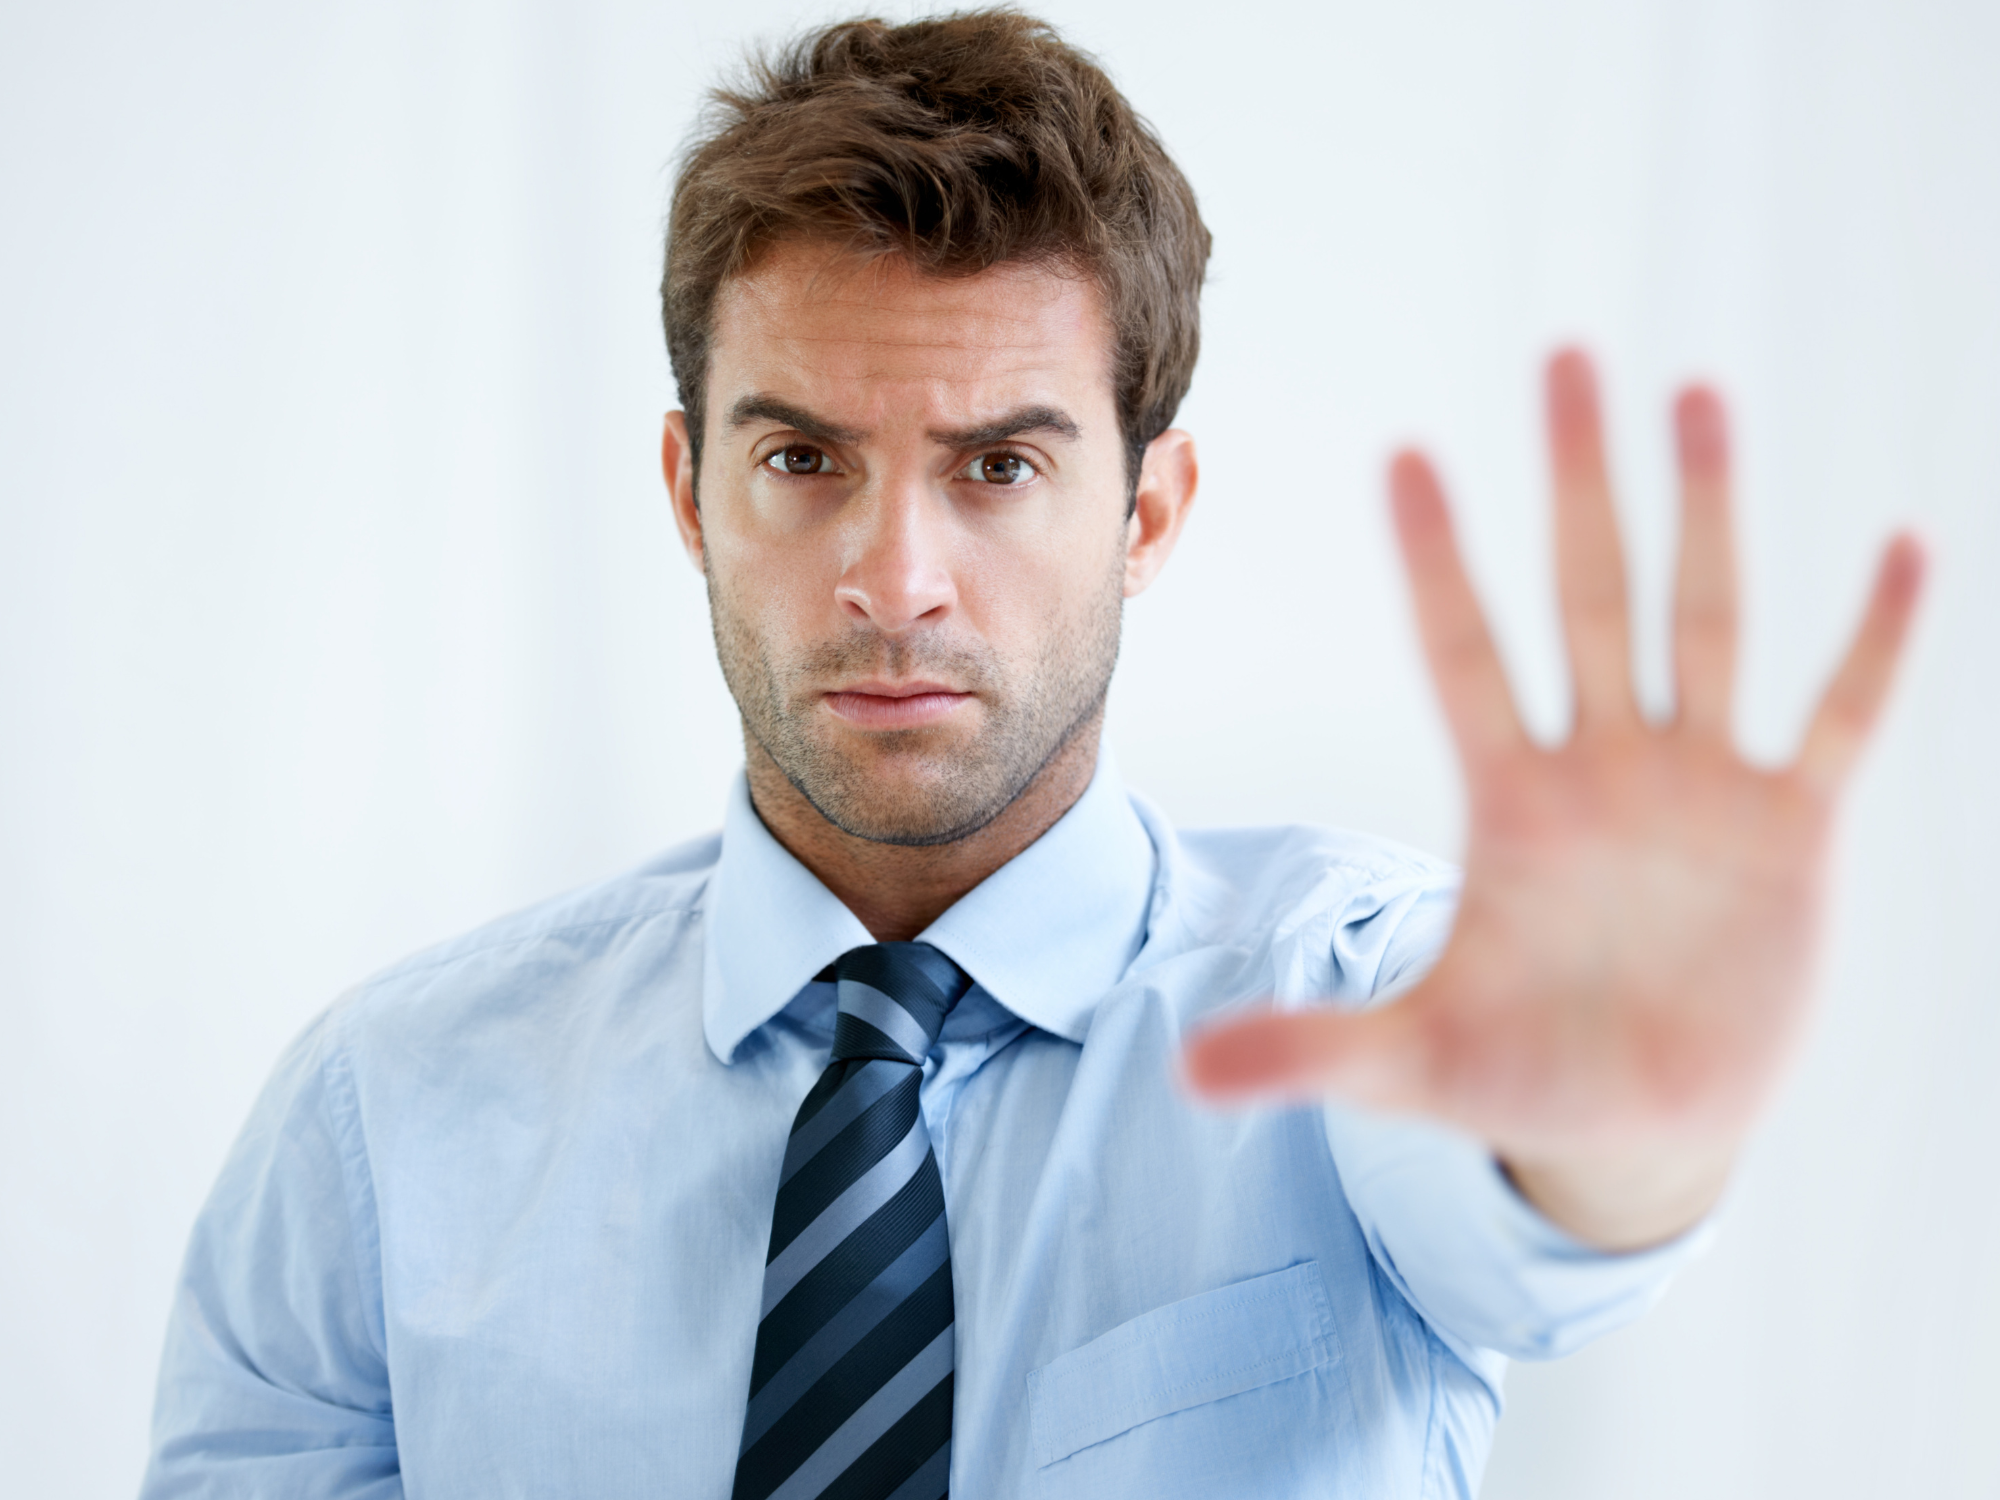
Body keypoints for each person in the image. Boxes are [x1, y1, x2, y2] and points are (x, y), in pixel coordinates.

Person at [139, 11, 1923, 1500]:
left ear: (1148, 510)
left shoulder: (1354, 995)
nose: (895, 581)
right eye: (802, 461)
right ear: (689, 491)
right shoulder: (385, 1122)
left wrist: (1619, 1122)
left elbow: (1525, 1185)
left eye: (1000, 466)